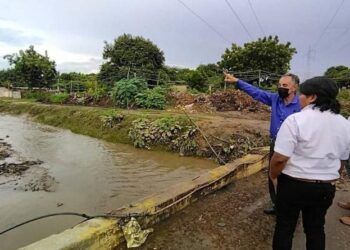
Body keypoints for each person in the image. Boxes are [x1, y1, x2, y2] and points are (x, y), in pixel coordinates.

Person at [269, 76, 350, 250]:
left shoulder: (296, 120)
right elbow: (342, 161)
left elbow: (280, 158)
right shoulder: (345, 124)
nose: (300, 98)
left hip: (293, 184)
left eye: (302, 94)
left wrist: (274, 176)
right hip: (325, 189)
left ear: (312, 97)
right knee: (315, 229)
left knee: (285, 228)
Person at [224, 72, 301, 215]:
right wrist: (237, 81)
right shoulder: (275, 99)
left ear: (294, 87)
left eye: (284, 85)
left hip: (295, 148)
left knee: (292, 177)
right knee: (273, 174)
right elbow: (256, 92)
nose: (280, 88)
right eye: (279, 85)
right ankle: (277, 204)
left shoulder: (302, 105)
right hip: (276, 144)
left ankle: (292, 208)